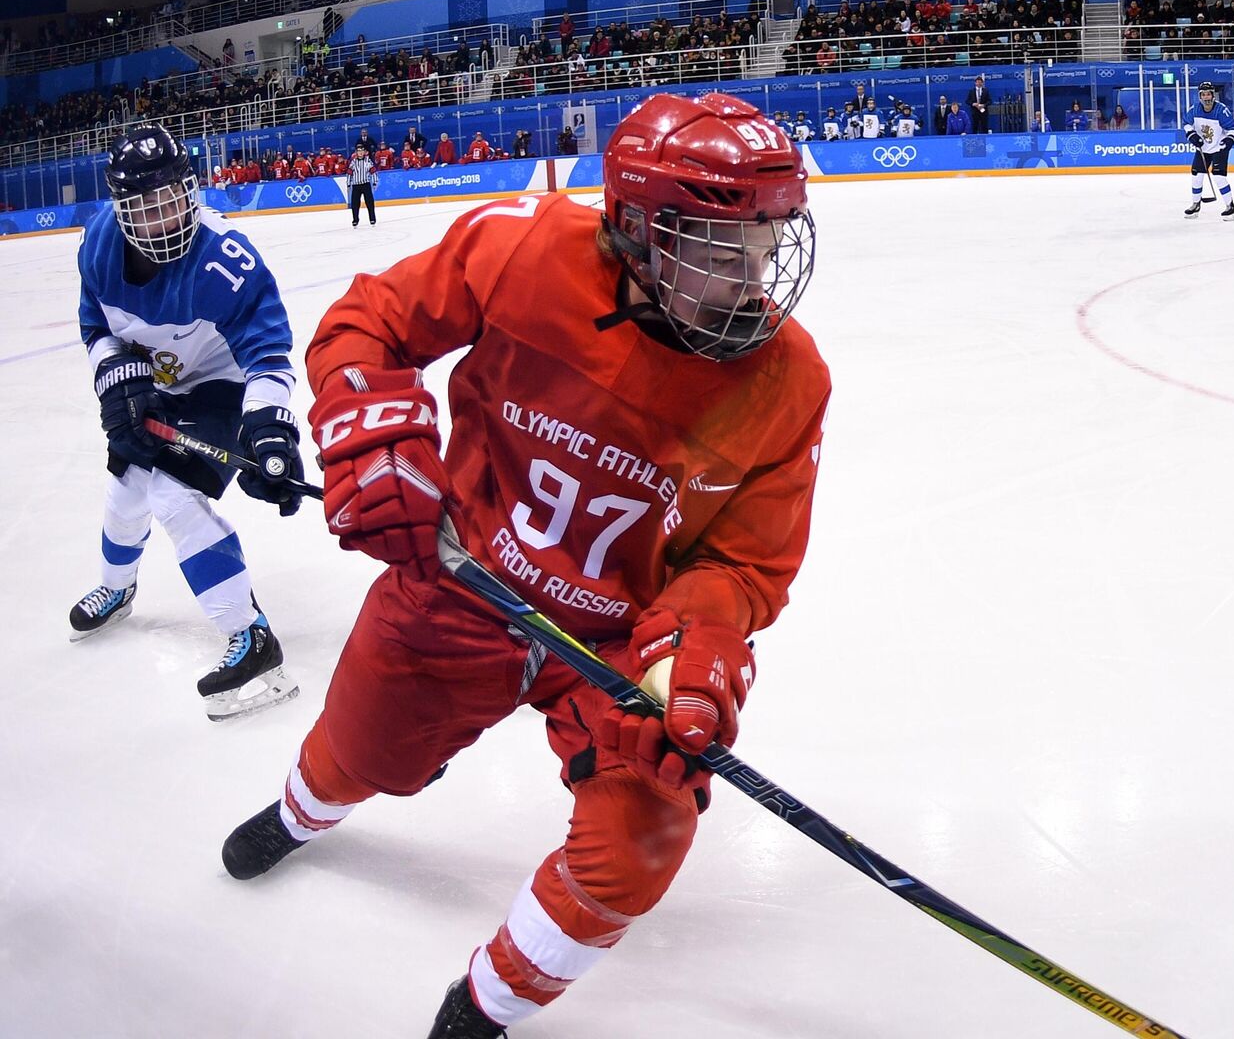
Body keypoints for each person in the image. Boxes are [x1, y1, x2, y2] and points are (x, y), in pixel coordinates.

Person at [216, 92, 829, 1038]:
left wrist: (698, 642)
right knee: (363, 752)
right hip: (463, 581)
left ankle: (492, 1000)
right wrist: (375, 438)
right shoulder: (523, 250)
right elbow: (368, 324)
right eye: (718, 249)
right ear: (636, 228)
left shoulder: (791, 382)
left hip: (617, 641)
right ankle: (303, 812)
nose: (754, 280)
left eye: (764, 247)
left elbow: (746, 563)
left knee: (638, 843)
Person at [69, 124, 306, 720]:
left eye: (173, 199)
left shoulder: (226, 261)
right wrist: (116, 378)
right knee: (125, 485)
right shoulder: (97, 249)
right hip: (153, 383)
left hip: (218, 383)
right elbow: (96, 328)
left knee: (174, 495)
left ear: (191, 190)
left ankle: (251, 634)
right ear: (119, 211)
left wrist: (270, 425)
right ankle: (118, 588)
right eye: (145, 208)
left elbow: (269, 353)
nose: (164, 219)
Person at [1182, 81, 1234, 221]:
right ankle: (1196, 204)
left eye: (1208, 94)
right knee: (1196, 174)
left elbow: (1232, 128)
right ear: (1200, 96)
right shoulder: (1194, 110)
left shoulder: (1221, 110)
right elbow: (1186, 124)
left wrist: (1229, 140)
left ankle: (1230, 207)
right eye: (1203, 94)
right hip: (1204, 148)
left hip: (1219, 147)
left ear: (1213, 95)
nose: (1206, 97)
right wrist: (1192, 135)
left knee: (1219, 176)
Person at [346, 144, 377, 227]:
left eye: (362, 151)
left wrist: (375, 182)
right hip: (356, 185)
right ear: (356, 152)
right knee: (355, 204)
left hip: (365, 184)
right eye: (358, 151)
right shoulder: (353, 162)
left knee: (370, 202)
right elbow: (349, 173)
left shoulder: (368, 161)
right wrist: (348, 183)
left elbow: (373, 172)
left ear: (364, 152)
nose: (360, 153)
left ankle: (372, 219)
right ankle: (355, 220)